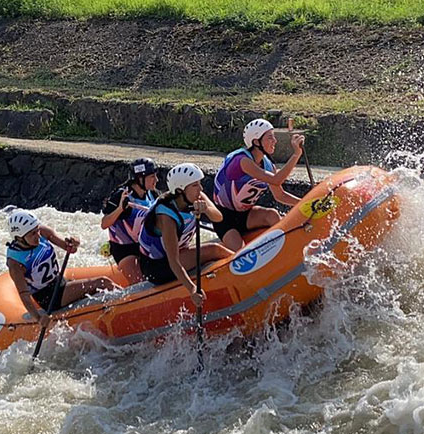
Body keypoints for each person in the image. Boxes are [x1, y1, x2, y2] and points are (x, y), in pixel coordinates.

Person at [137, 164, 233, 307]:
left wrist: (205, 208)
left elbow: (218, 217)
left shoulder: (195, 196)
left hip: (178, 253)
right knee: (214, 250)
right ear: (180, 190)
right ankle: (248, 268)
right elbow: (173, 261)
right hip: (157, 267)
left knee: (215, 248)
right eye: (195, 185)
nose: (200, 189)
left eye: (199, 184)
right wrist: (192, 289)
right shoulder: (166, 217)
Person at [5, 210, 114, 326]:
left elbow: (70, 249)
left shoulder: (43, 232)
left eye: (36, 230)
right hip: (49, 297)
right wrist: (38, 317)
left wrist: (74, 243)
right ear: (20, 238)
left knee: (98, 291)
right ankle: (129, 300)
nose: (37, 235)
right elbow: (24, 294)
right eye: (32, 234)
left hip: (60, 283)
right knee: (103, 282)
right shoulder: (15, 263)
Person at [212, 119, 305, 251]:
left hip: (246, 215)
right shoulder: (242, 161)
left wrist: (304, 203)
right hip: (224, 218)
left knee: (272, 215)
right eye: (270, 137)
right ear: (256, 142)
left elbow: (280, 195)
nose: (275, 141)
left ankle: (286, 249)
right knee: (241, 252)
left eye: (274, 136)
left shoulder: (268, 165)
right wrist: (296, 154)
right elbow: (277, 180)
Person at [100, 157, 159, 283]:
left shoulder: (152, 194)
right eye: (152, 177)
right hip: (124, 249)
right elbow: (104, 224)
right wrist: (120, 209)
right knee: (141, 283)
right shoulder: (122, 195)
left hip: (145, 245)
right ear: (140, 179)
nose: (156, 180)